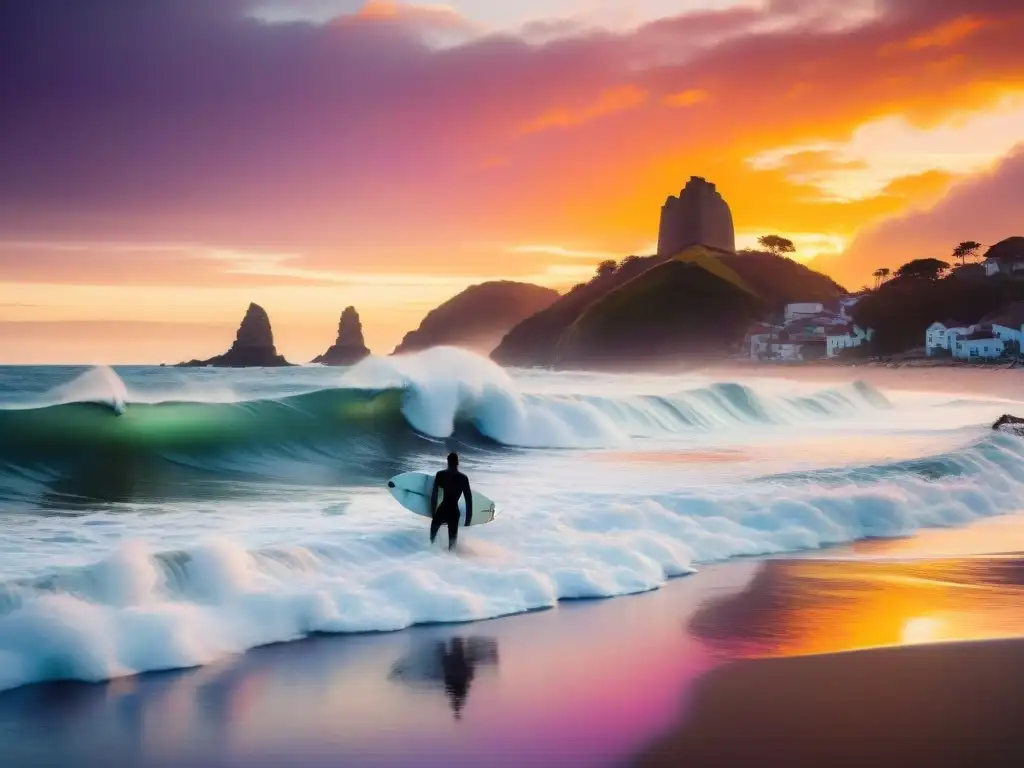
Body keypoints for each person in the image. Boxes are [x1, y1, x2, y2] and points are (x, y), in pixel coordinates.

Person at [429, 452, 472, 551]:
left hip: (443, 510)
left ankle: (431, 555)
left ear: (447, 462)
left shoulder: (440, 475)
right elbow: (468, 500)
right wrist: (468, 520)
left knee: (432, 539)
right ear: (458, 463)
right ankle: (450, 562)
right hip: (454, 513)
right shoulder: (463, 478)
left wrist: (433, 514)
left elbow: (434, 495)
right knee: (452, 546)